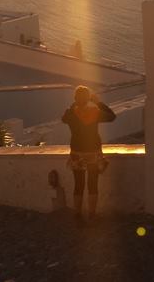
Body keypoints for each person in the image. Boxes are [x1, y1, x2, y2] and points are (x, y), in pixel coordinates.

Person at [61, 85, 116, 222]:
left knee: (78, 185)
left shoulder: (71, 113)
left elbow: (63, 118)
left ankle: (77, 214)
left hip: (77, 153)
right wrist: (98, 102)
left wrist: (74, 104)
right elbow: (112, 116)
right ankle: (92, 214)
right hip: (93, 152)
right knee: (93, 183)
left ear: (75, 98)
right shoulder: (94, 112)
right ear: (88, 99)